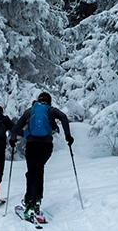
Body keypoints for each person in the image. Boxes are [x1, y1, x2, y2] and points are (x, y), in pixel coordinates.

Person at [9, 92, 73, 220]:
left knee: (32, 173)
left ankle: (30, 205)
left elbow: (16, 127)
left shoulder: (30, 111)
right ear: (49, 101)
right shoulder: (51, 110)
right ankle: (37, 200)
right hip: (46, 147)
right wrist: (68, 136)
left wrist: (13, 139)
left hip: (32, 146)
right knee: (39, 170)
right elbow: (64, 117)